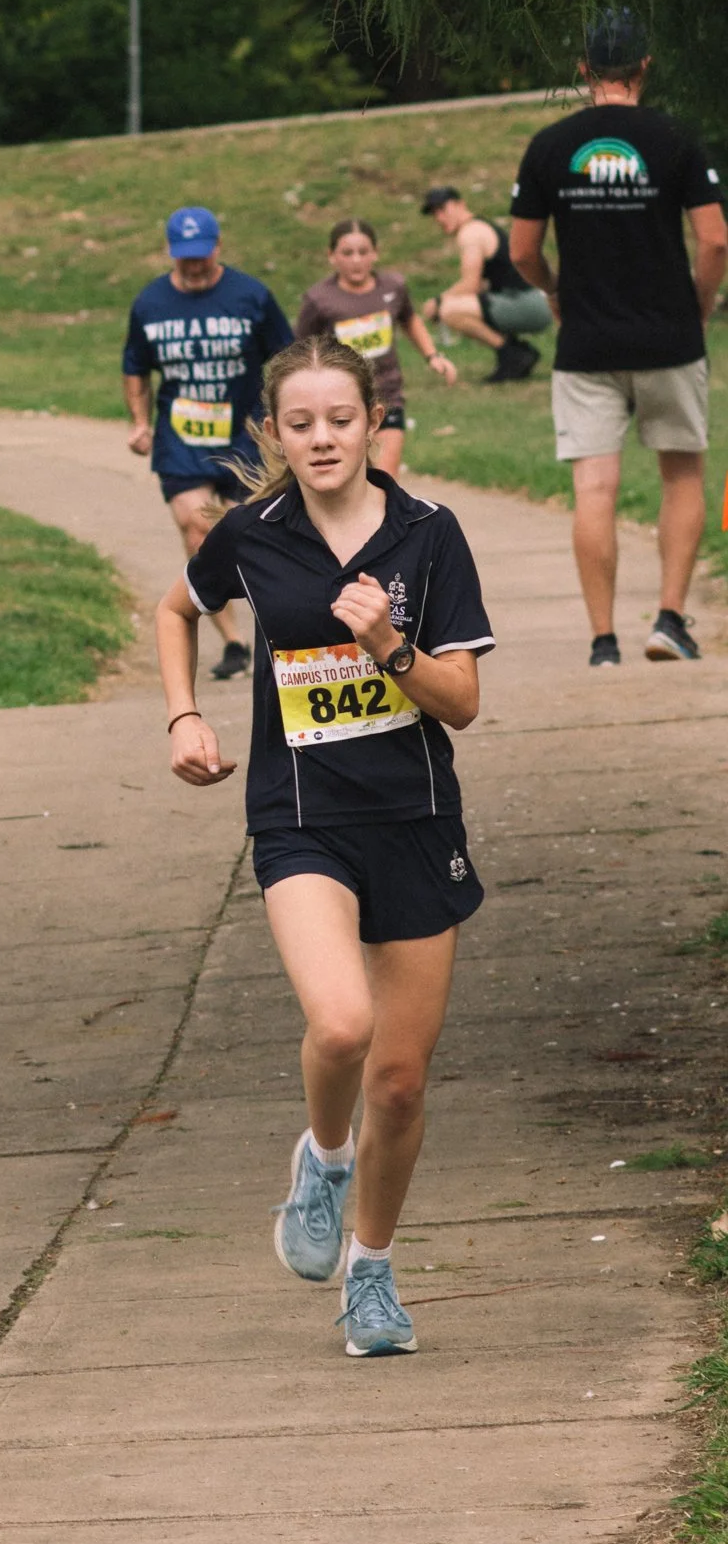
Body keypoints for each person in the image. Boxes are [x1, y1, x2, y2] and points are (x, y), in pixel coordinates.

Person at [155, 332, 494, 1358]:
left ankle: (372, 1271)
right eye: (300, 423)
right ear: (274, 431)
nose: (322, 438)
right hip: (298, 817)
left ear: (373, 421)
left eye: (340, 419)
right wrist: (184, 715)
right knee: (342, 1026)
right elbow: (175, 608)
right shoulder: (253, 534)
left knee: (401, 1079)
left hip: (415, 820)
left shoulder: (429, 534)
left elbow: (462, 701)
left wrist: (388, 643)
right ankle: (326, 1157)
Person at [509, 10, 728, 665]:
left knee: (594, 489)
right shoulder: (675, 138)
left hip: (587, 344)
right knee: (681, 474)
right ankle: (668, 620)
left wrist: (554, 291)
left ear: (584, 71)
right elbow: (715, 240)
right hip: (669, 338)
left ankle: (603, 640)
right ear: (644, 67)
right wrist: (699, 306)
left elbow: (522, 252)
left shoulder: (550, 145)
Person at [124, 204, 294, 680]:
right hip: (182, 439)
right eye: (185, 257)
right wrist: (139, 421)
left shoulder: (251, 296)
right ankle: (234, 642)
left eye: (202, 255)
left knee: (256, 532)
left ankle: (278, 628)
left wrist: (289, 422)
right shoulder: (150, 303)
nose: (195, 265)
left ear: (218, 247)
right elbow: (135, 366)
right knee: (197, 529)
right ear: (169, 251)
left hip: (247, 436)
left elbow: (287, 358)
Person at [296, 220, 457, 476]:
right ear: (331, 256)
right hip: (339, 405)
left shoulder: (393, 287)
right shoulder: (318, 299)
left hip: (386, 396)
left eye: (363, 252)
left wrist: (432, 356)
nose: (356, 260)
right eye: (347, 253)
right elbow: (300, 352)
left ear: (375, 253)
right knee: (349, 480)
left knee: (383, 480)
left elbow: (409, 319)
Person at [420, 187, 550, 380]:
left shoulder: (470, 233)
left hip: (529, 303)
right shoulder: (479, 227)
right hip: (531, 301)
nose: (439, 218)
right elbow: (481, 284)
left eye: (443, 209)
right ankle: (517, 352)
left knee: (449, 310)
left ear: (460, 205)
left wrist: (437, 302)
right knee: (463, 305)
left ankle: (512, 354)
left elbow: (471, 284)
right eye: (434, 213)